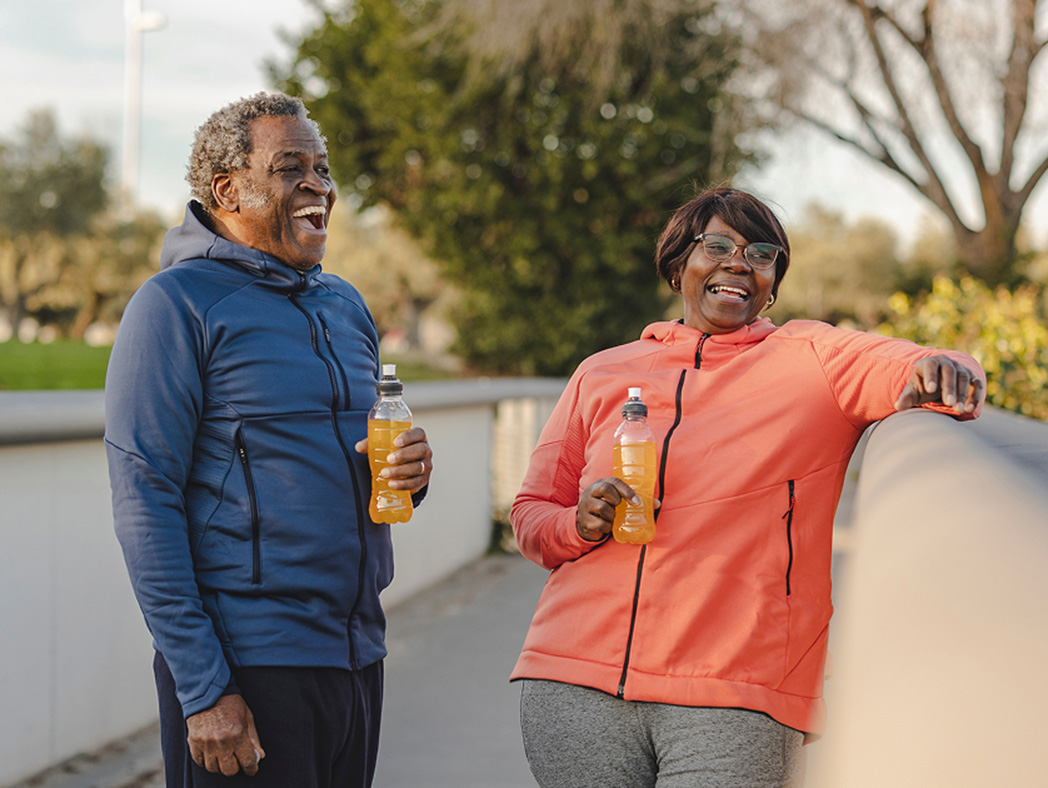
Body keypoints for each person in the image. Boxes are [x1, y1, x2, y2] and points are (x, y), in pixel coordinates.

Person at [509, 187, 985, 788]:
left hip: (736, 691)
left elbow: (917, 365)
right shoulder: (601, 372)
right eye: (718, 246)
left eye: (762, 255)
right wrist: (579, 522)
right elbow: (531, 514)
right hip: (574, 681)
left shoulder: (814, 359)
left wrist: (947, 371)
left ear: (773, 286)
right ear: (679, 265)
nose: (740, 263)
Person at [105, 92, 433, 788]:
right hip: (245, 669)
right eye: (291, 168)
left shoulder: (344, 304)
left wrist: (409, 471)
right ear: (229, 188)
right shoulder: (175, 306)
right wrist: (203, 688)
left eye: (322, 167)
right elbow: (145, 502)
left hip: (355, 655)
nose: (321, 185)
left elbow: (361, 468)